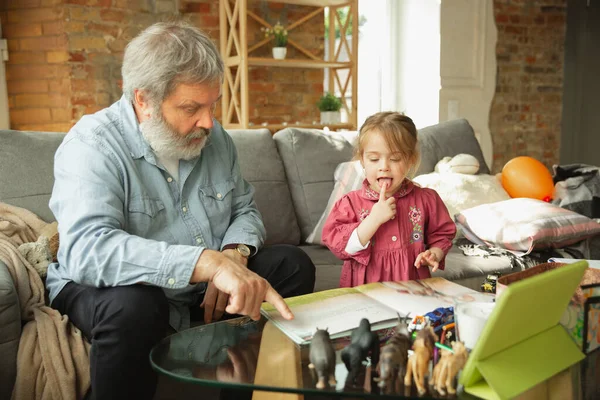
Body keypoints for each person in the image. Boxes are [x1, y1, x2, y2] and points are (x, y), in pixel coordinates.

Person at [46, 21, 315, 400]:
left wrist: (232, 255)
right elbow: (87, 251)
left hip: (198, 288)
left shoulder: (213, 137)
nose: (208, 121)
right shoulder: (92, 145)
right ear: (144, 101)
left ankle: (237, 391)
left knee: (292, 265)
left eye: (212, 105)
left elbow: (245, 209)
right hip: (106, 289)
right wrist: (206, 264)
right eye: (191, 107)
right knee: (136, 305)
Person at [321, 112, 456, 287]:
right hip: (365, 291)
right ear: (362, 160)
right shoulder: (349, 204)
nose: (384, 167)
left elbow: (442, 234)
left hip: (413, 287)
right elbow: (344, 248)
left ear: (410, 161)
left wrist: (434, 253)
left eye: (395, 159)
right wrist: (373, 219)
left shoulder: (426, 199)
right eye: (374, 159)